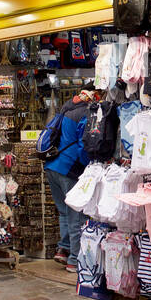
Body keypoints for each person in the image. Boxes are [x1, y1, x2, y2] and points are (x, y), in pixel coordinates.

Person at [43, 83, 96, 269]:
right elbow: (82, 146)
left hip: (53, 165)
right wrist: (89, 165)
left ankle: (63, 249)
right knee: (75, 216)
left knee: (64, 213)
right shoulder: (85, 113)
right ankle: (74, 260)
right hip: (69, 168)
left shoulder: (67, 106)